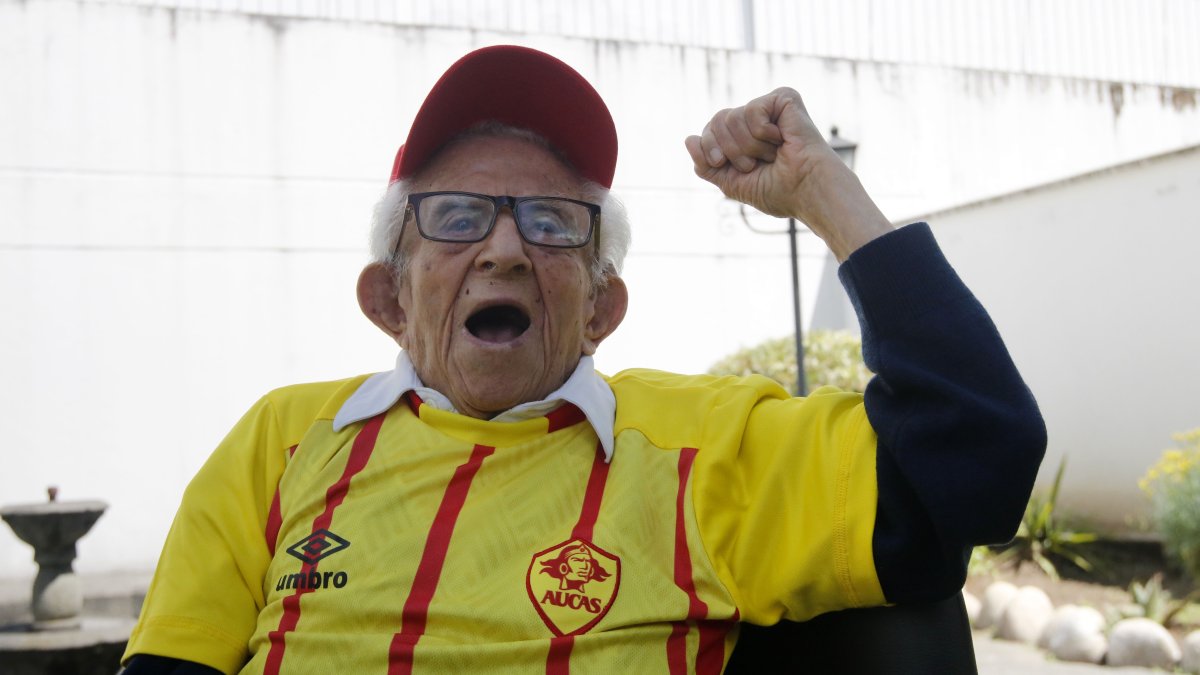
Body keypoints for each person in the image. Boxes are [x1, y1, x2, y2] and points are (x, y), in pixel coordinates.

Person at [120, 45, 1046, 674]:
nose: (506, 249)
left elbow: (979, 461)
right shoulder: (282, 442)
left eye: (554, 222)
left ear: (603, 306)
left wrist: (829, 195)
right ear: (389, 297)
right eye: (455, 217)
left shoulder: (705, 452)